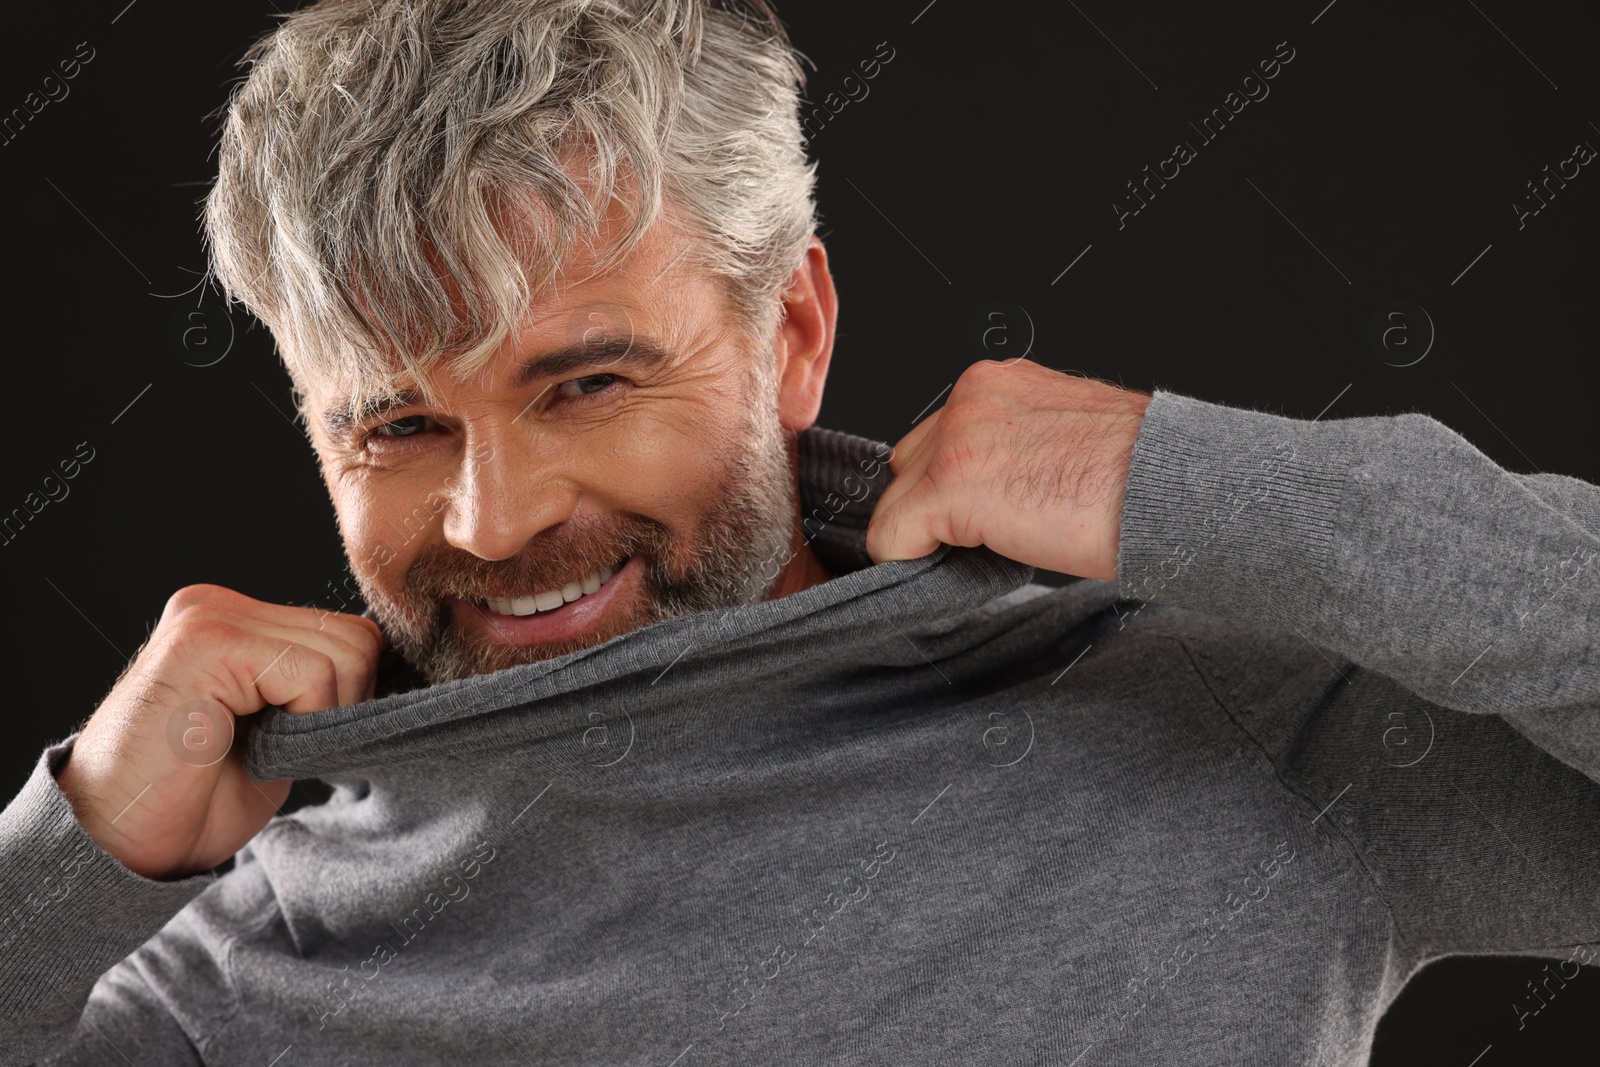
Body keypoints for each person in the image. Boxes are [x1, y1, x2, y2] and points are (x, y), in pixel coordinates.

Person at [2, 0, 1596, 1063]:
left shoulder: (1229, 728)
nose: (494, 520)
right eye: (397, 427)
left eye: (590, 382)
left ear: (790, 332)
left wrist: (1213, 490)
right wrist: (71, 849)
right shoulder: (242, 960)